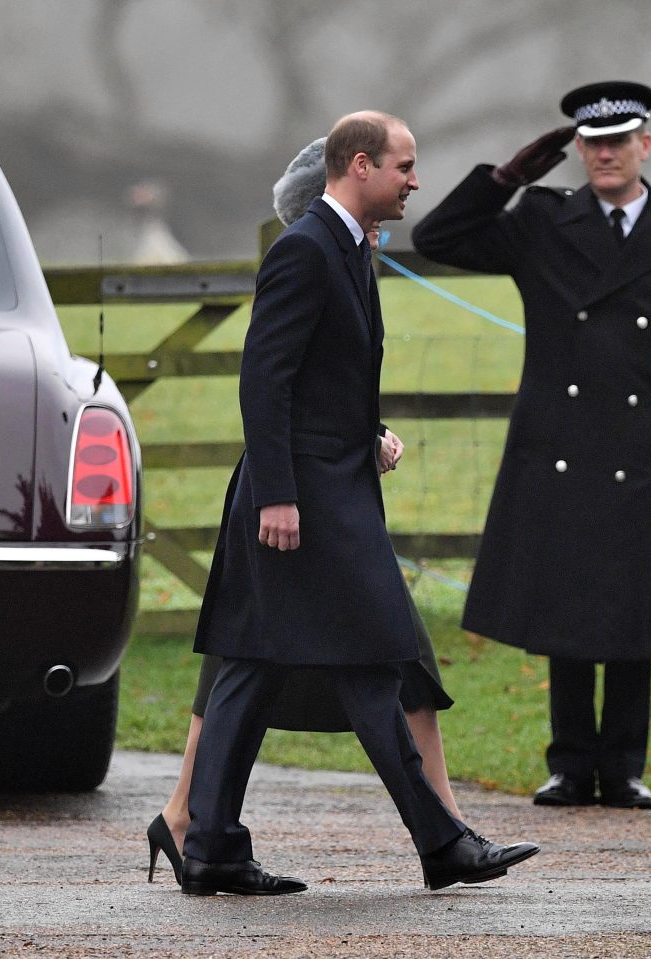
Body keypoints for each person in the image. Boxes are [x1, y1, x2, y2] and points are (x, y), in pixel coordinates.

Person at [178, 110, 538, 896]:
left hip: (328, 487)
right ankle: (440, 841)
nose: (416, 181)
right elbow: (263, 379)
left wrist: (366, 430)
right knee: (376, 656)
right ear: (361, 165)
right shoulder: (306, 250)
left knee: (251, 663)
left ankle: (207, 845)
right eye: (406, 166)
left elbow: (321, 371)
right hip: (302, 503)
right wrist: (276, 494)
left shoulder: (347, 247)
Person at [412, 82, 651, 810]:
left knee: (635, 606)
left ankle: (626, 765)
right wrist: (505, 180)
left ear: (645, 144)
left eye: (618, 140)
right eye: (591, 142)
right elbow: (435, 238)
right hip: (560, 440)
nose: (604, 153)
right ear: (575, 149)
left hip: (644, 442)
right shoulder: (541, 220)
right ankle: (569, 763)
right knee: (570, 604)